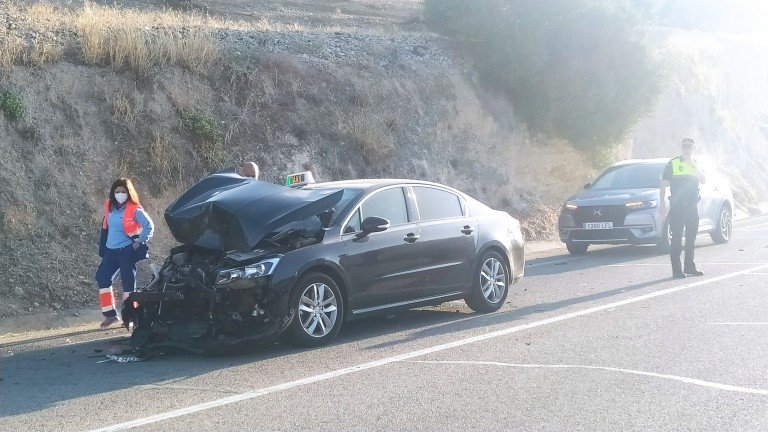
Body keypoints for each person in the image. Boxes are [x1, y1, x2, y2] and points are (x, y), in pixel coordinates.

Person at [95, 178, 154, 328]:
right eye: (117, 191)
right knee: (102, 278)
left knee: (128, 284)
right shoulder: (110, 207)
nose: (120, 194)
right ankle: (110, 315)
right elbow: (106, 228)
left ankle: (130, 317)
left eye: (123, 191)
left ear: (129, 193)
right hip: (110, 251)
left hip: (126, 251)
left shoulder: (134, 209)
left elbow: (149, 226)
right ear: (113, 193)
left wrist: (138, 242)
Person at [659, 138, 707, 279]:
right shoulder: (673, 163)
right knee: (677, 238)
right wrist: (662, 204)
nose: (687, 150)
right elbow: (663, 184)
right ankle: (677, 270)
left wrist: (692, 165)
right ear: (681, 148)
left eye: (690, 147)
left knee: (691, 238)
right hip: (678, 206)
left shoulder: (696, 164)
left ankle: (689, 266)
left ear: (694, 148)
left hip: (692, 206)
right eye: (685, 147)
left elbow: (704, 180)